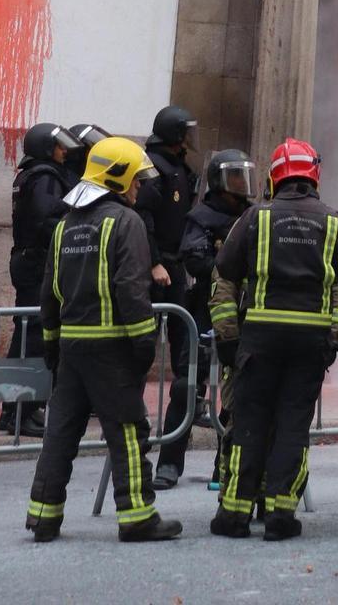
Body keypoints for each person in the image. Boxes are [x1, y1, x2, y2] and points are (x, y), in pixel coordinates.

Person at [25, 135, 181, 544]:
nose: (138, 188)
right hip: (112, 347)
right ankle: (137, 516)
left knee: (60, 432)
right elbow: (131, 288)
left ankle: (42, 517)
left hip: (72, 347)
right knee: (128, 430)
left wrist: (53, 345)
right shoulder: (124, 223)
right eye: (135, 180)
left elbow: (49, 293)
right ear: (118, 175)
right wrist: (143, 343)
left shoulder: (65, 226)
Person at [211, 138, 338, 542]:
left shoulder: (255, 217)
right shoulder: (334, 221)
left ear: (276, 176)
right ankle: (280, 514)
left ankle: (235, 515)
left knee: (250, 423)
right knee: (293, 426)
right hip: (309, 341)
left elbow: (225, 267)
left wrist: (229, 335)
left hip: (260, 337)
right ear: (314, 175)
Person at [178, 149, 257, 491]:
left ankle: (219, 468)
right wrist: (226, 266)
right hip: (202, 310)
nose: (243, 182)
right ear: (220, 181)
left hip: (240, 315)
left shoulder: (254, 215)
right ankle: (169, 463)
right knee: (186, 384)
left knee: (233, 395)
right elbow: (193, 256)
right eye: (236, 175)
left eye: (245, 175)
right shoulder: (201, 216)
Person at [135, 105, 200, 491]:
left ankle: (172, 455)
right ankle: (138, 446)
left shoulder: (180, 169)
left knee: (185, 362)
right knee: (139, 353)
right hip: (158, 273)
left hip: (177, 272)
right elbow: (143, 220)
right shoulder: (154, 169)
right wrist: (154, 263)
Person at [3, 123, 77, 436]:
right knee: (34, 336)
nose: (65, 151)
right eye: (59, 146)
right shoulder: (45, 176)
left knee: (27, 333)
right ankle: (23, 409)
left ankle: (14, 410)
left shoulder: (31, 174)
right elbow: (50, 219)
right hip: (36, 263)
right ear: (46, 149)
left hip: (26, 259)